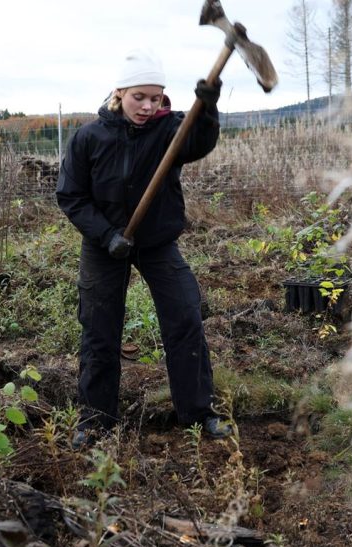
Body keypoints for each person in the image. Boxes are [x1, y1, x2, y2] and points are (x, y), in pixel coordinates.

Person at [56, 48, 231, 449]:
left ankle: (198, 413)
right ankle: (96, 420)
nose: (149, 106)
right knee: (100, 330)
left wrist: (208, 106)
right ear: (119, 92)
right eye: (140, 97)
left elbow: (199, 142)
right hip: (104, 246)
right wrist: (107, 235)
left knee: (185, 317)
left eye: (156, 97)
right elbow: (71, 197)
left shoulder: (169, 129)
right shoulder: (89, 138)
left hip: (155, 242)